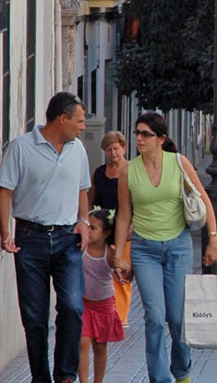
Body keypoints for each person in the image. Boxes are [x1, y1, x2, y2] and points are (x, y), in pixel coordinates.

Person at [113, 112, 217, 383]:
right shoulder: (128, 170)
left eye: (146, 134)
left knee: (177, 318)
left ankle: (182, 371)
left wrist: (213, 239)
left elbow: (204, 200)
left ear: (161, 139)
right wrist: (118, 256)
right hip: (144, 249)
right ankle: (159, 379)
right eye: (137, 132)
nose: (139, 138)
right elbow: (124, 215)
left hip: (179, 247)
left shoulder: (180, 163)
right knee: (155, 318)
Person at [0, 91, 92, 383]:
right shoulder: (21, 148)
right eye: (79, 120)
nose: (83, 126)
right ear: (62, 119)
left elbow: (82, 190)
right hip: (30, 239)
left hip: (67, 240)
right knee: (35, 318)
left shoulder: (78, 150)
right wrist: (4, 233)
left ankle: (65, 376)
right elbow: (4, 192)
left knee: (73, 307)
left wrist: (84, 221)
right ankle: (41, 377)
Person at [89, 131, 132, 327]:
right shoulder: (98, 173)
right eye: (109, 149)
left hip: (125, 230)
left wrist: (133, 224)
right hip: (103, 230)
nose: (113, 153)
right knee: (103, 270)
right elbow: (90, 199)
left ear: (123, 148)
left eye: (116, 148)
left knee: (121, 272)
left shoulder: (132, 170)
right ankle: (106, 312)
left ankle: (120, 316)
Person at [78, 208, 124, 383]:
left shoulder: (109, 253)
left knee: (100, 345)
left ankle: (98, 380)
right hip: (83, 303)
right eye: (87, 225)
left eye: (93, 228)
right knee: (83, 342)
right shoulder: (81, 248)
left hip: (103, 305)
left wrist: (121, 267)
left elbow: (124, 265)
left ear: (106, 233)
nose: (88, 230)